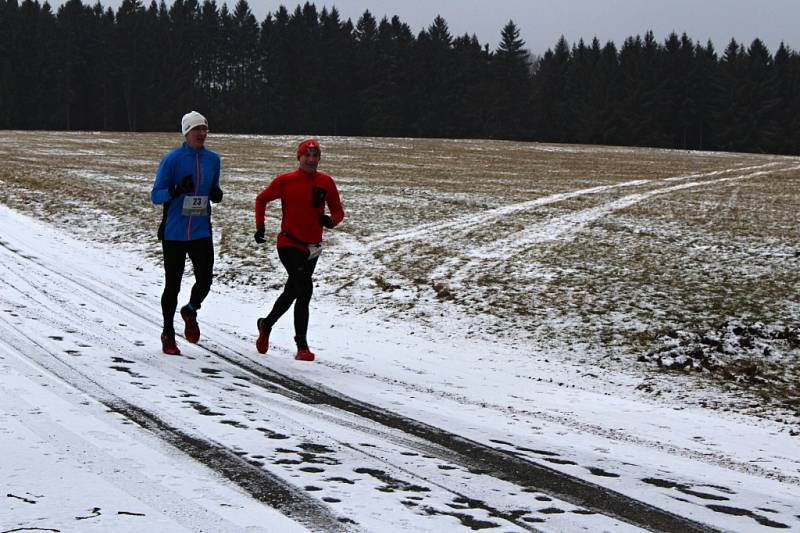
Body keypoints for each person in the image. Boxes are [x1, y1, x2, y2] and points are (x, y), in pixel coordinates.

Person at [253, 138, 344, 361]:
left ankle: (266, 324)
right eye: (307, 155)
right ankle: (302, 345)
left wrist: (330, 221)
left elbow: (338, 212)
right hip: (289, 243)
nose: (311, 160)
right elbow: (261, 199)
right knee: (305, 289)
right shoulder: (286, 181)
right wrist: (260, 226)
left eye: (315, 156)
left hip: (312, 247)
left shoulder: (326, 182)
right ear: (299, 157)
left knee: (293, 291)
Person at [150, 111, 223, 355]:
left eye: (204, 129)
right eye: (196, 130)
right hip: (175, 232)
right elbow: (156, 195)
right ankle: (168, 333)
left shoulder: (213, 160)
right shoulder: (172, 160)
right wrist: (176, 189)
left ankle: (190, 310)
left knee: (205, 280)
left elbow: (213, 188)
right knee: (173, 284)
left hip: (201, 230)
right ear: (186, 132)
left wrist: (216, 194)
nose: (202, 133)